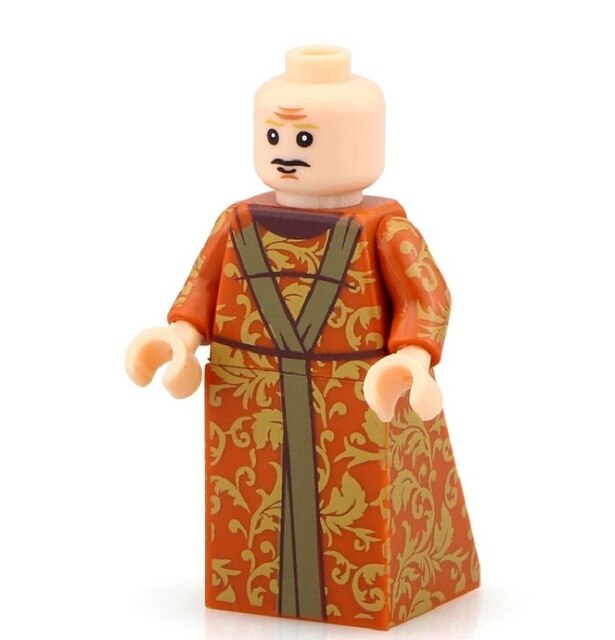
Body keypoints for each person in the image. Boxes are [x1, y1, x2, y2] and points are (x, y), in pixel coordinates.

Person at [125, 45, 479, 630]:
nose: (287, 153)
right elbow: (204, 287)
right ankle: (258, 594)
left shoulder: (386, 229)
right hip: (250, 392)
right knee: (249, 501)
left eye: (304, 139)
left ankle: (365, 599)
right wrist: (181, 337)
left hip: (360, 388)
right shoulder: (235, 223)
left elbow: (427, 296)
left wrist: (413, 357)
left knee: (366, 497)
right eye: (275, 137)